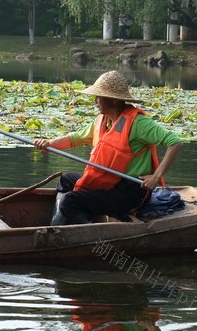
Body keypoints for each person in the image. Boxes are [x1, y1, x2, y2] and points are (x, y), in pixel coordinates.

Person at [33, 70, 183, 226]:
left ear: (114, 101)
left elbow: (176, 142)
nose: (95, 101)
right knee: (66, 180)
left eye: (99, 97)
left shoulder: (138, 123)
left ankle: (69, 234)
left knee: (70, 201)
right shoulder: (103, 121)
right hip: (108, 183)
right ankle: (57, 226)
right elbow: (75, 138)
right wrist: (49, 144)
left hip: (129, 192)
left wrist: (156, 176)